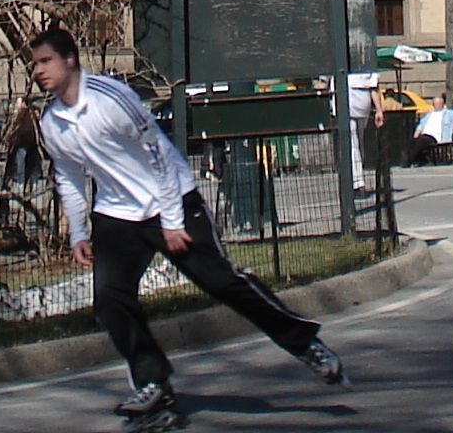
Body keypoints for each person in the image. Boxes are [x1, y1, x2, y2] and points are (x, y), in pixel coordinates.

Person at [28, 29, 342, 426]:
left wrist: (172, 221)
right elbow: (69, 177)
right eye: (35, 64)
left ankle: (305, 343)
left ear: (70, 60)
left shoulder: (111, 99)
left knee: (222, 283)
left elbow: (158, 154)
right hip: (117, 216)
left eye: (46, 62)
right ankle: (153, 384)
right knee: (110, 300)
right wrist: (77, 232)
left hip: (171, 200)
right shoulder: (53, 121)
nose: (39, 71)